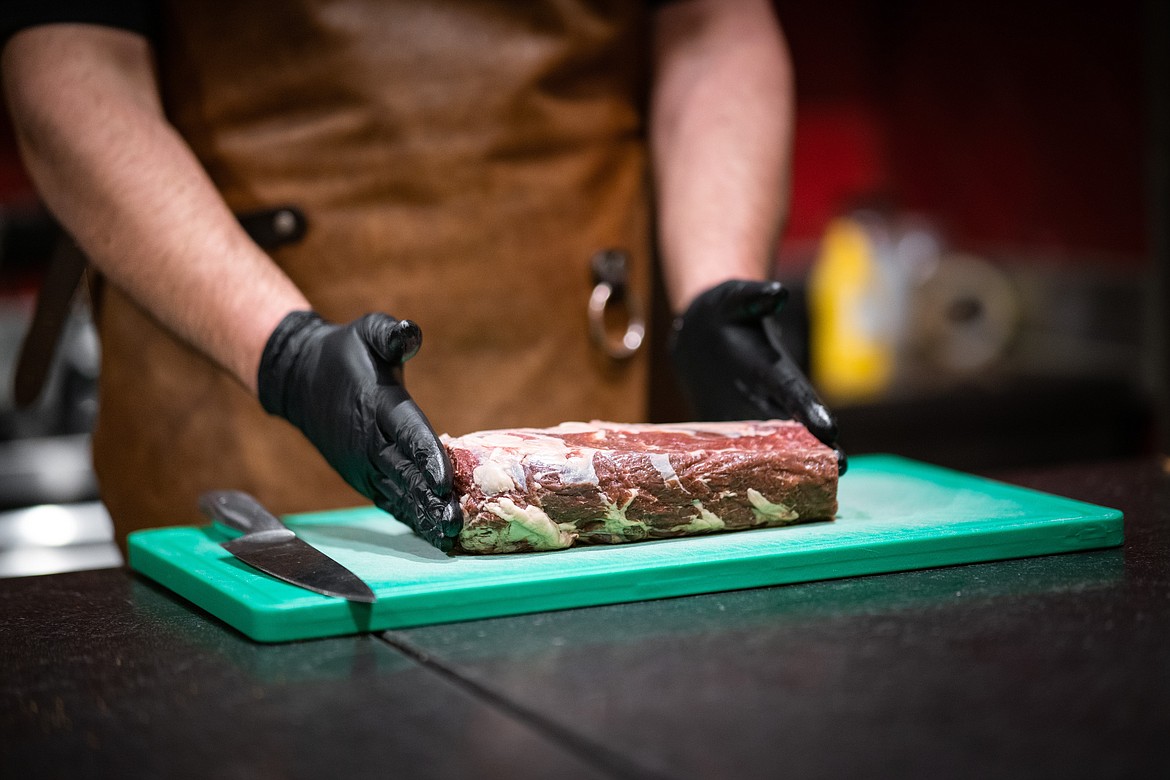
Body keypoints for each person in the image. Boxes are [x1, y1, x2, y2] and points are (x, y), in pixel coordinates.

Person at [1, 0, 841, 552]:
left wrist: (711, 294)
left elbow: (712, 27)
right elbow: (68, 61)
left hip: (582, 363)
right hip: (237, 373)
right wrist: (287, 354)